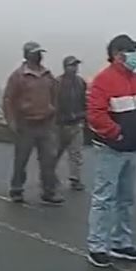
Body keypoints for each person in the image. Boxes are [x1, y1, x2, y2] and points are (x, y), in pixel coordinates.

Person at [85, 34, 136, 267]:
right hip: (111, 150)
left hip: (132, 149)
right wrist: (117, 134)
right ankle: (97, 246)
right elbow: (96, 114)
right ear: (117, 55)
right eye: (131, 51)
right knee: (104, 197)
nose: (135, 56)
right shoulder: (103, 80)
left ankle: (120, 242)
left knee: (125, 199)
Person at [3, 41, 62, 205]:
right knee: (21, 159)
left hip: (45, 123)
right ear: (27, 55)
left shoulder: (47, 74)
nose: (39, 56)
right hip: (26, 123)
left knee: (48, 160)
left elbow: (55, 95)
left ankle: (49, 191)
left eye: (40, 53)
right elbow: (8, 99)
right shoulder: (18, 76)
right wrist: (11, 121)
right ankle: (16, 189)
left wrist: (53, 113)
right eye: (35, 53)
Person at [55, 55, 88, 191]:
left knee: (76, 153)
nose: (74, 68)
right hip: (60, 125)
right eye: (71, 65)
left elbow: (84, 101)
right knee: (55, 153)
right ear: (65, 67)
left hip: (76, 123)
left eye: (76, 65)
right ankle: (47, 176)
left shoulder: (81, 82)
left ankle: (75, 178)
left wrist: (83, 116)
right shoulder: (57, 83)